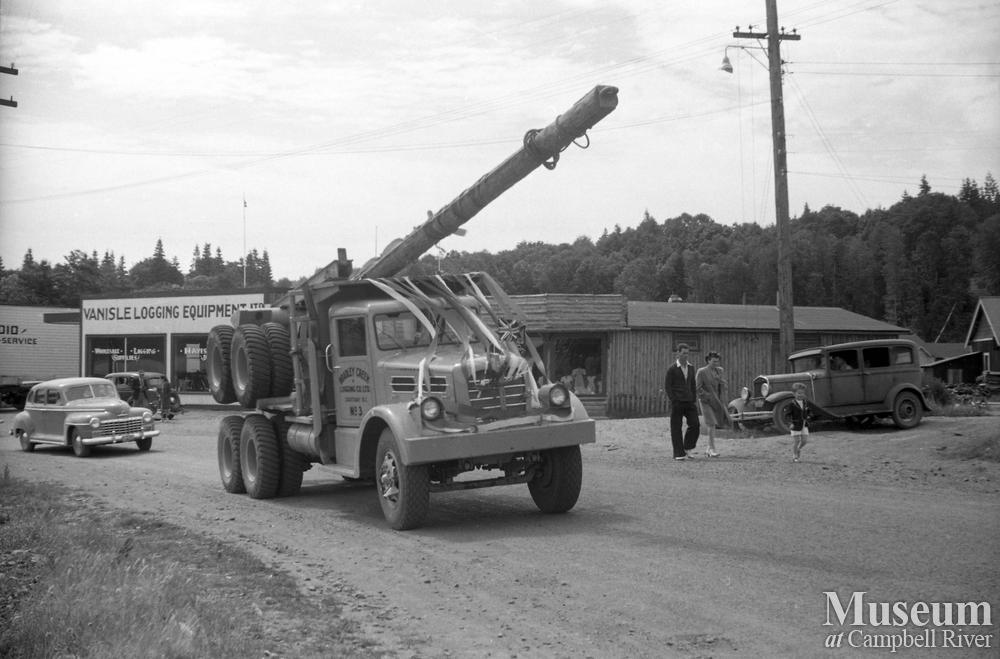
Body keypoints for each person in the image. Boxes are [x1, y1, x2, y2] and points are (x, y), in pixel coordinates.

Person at [664, 343, 699, 460]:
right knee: (676, 427)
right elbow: (668, 386)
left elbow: (693, 385)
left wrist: (693, 398)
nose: (686, 355)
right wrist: (674, 400)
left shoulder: (691, 368)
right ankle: (678, 453)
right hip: (677, 402)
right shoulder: (672, 369)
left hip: (689, 402)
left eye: (687, 353)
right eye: (683, 353)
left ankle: (688, 448)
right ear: (678, 353)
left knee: (695, 424)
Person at [696, 351, 731, 457]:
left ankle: (708, 448)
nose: (716, 363)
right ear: (708, 360)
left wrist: (722, 385)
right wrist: (707, 396)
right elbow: (697, 388)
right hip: (706, 401)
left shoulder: (720, 371)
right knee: (711, 423)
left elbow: (722, 385)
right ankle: (712, 449)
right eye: (714, 361)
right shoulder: (701, 371)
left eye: (717, 361)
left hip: (717, 401)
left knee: (716, 424)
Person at [789, 382, 813, 463]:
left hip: (804, 424)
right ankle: (795, 456)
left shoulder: (805, 402)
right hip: (795, 424)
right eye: (799, 393)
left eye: (802, 393)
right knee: (797, 441)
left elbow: (808, 411)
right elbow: (787, 415)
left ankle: (798, 449)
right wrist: (790, 423)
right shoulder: (792, 404)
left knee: (804, 441)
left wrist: (809, 415)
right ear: (794, 393)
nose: (801, 395)